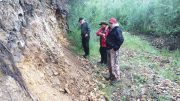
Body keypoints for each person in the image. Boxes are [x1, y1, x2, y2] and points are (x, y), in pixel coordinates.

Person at [106, 18, 124, 83]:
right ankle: (111, 76)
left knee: (114, 64)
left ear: (114, 23)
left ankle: (116, 78)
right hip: (109, 48)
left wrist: (116, 47)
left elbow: (121, 39)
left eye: (111, 23)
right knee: (109, 64)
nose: (110, 24)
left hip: (113, 50)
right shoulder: (111, 29)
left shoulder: (117, 30)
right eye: (109, 23)